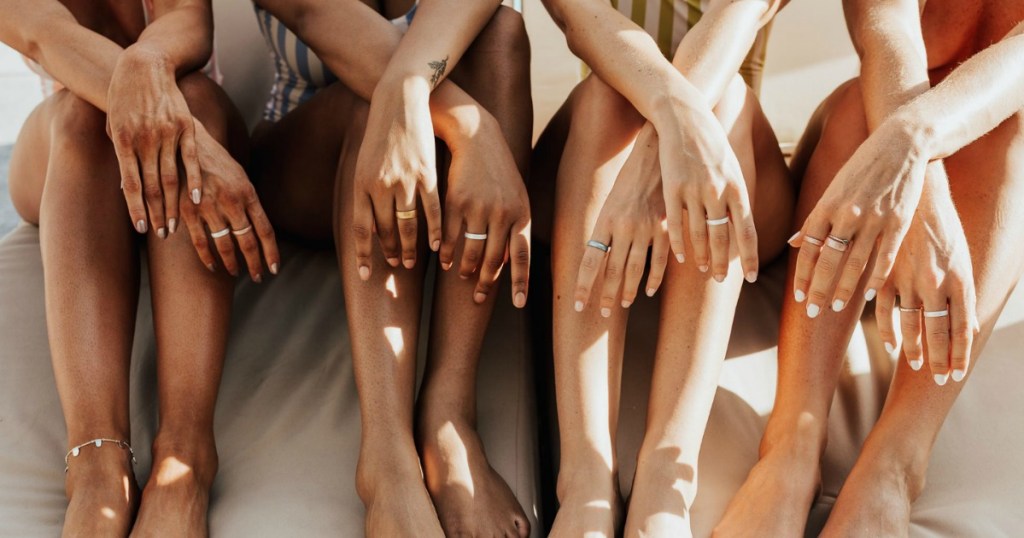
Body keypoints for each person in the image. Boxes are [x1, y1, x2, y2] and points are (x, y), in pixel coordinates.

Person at [716, 1, 1024, 535]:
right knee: (865, 105)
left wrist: (915, 145)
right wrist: (918, 185)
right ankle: (792, 443)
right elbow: (884, 28)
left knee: (1013, 136)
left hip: (983, 171)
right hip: (871, 135)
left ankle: (896, 465)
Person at [246, 0, 532, 535]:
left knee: (500, 35)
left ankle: (449, 410)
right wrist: (471, 127)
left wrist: (420, 94)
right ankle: (386, 456)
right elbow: (311, 12)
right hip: (305, 151)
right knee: (371, 105)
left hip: (444, 155)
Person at [0, 0, 278, 535]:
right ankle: (97, 466)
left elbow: (191, 25)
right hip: (72, 148)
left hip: (193, 107)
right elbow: (45, 37)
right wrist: (192, 144)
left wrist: (148, 74)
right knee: (85, 113)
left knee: (191, 96)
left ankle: (186, 455)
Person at [531, 0, 793, 535]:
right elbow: (579, 21)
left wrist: (658, 156)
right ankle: (586, 477)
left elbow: (743, 11)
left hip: (724, 167)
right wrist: (667, 123)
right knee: (608, 92)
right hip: (606, 171)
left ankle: (666, 476)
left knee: (725, 102)